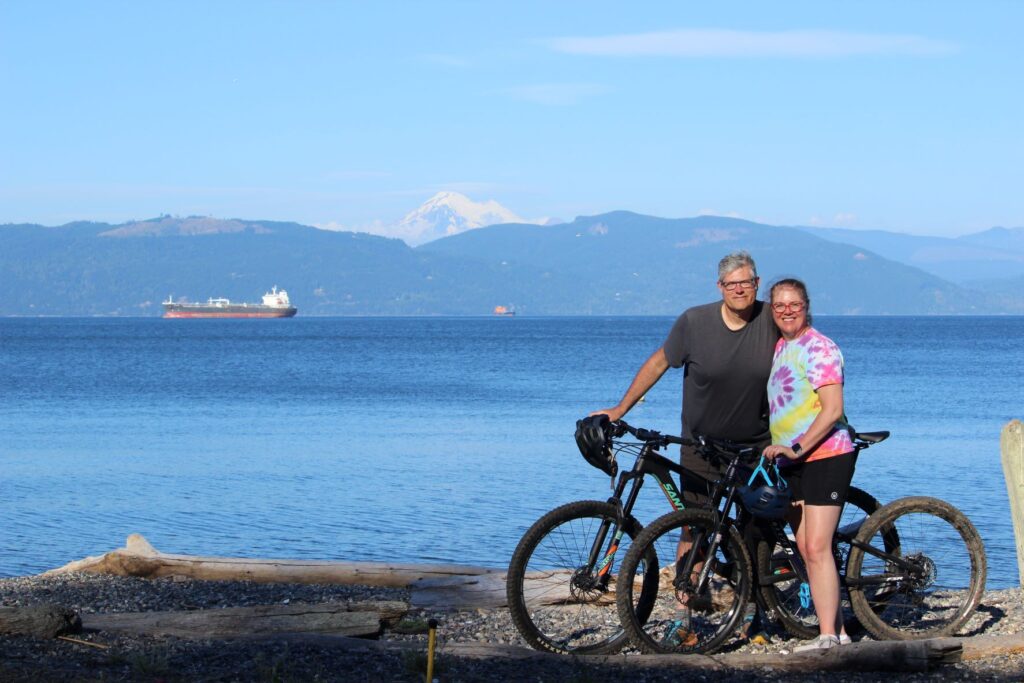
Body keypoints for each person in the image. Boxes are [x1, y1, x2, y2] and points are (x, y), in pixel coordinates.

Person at [592, 250, 779, 643]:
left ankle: (750, 611)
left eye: (747, 282)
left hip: (755, 447)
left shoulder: (772, 318)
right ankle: (683, 617)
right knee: (692, 526)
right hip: (700, 447)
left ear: (758, 284)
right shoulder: (694, 322)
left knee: (752, 531)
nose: (740, 289)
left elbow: (806, 359)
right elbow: (659, 362)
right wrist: (620, 408)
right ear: (720, 287)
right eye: (732, 284)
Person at [762, 278, 856, 652]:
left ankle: (828, 636)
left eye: (794, 305)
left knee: (817, 546)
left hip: (825, 455)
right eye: (779, 305)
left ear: (806, 306)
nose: (787, 311)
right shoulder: (783, 346)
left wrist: (798, 446)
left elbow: (832, 410)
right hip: (792, 460)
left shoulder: (820, 348)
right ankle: (840, 631)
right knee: (804, 546)